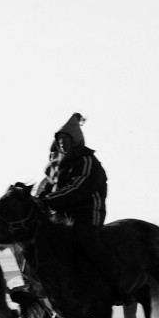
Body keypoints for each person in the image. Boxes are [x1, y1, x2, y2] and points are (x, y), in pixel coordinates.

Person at [33, 113, 127, 301]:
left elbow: (76, 188)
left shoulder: (86, 162)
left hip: (87, 214)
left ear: (75, 140)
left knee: (88, 242)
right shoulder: (58, 166)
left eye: (65, 140)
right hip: (62, 217)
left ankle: (118, 286)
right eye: (59, 141)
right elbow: (47, 186)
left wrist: (47, 201)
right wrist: (36, 200)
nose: (61, 144)